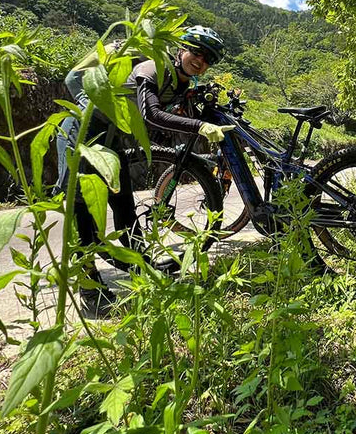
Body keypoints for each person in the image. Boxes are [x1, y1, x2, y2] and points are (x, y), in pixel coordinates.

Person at [58, 25, 233, 317]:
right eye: (197, 52)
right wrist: (200, 127)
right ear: (181, 48)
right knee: (82, 211)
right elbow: (150, 112)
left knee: (124, 202)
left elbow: (159, 120)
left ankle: (140, 270)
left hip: (111, 136)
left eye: (208, 59)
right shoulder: (154, 66)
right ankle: (90, 291)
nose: (201, 61)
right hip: (83, 127)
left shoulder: (180, 85)